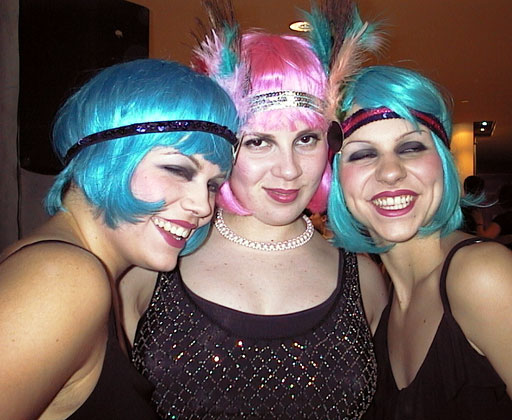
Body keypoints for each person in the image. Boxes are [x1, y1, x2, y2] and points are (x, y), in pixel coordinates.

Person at [120, 26, 387, 419]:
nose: (289, 170)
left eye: (306, 139)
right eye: (258, 141)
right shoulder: (151, 268)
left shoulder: (364, 281)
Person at [0, 58, 239, 420]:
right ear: (108, 156)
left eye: (212, 185)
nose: (203, 206)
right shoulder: (61, 277)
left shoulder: (87, 273)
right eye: (177, 169)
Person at [328, 65, 512, 419]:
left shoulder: (483, 276)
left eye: (410, 148)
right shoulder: (380, 300)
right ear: (337, 178)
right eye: (363, 154)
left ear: (442, 163)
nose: (390, 172)